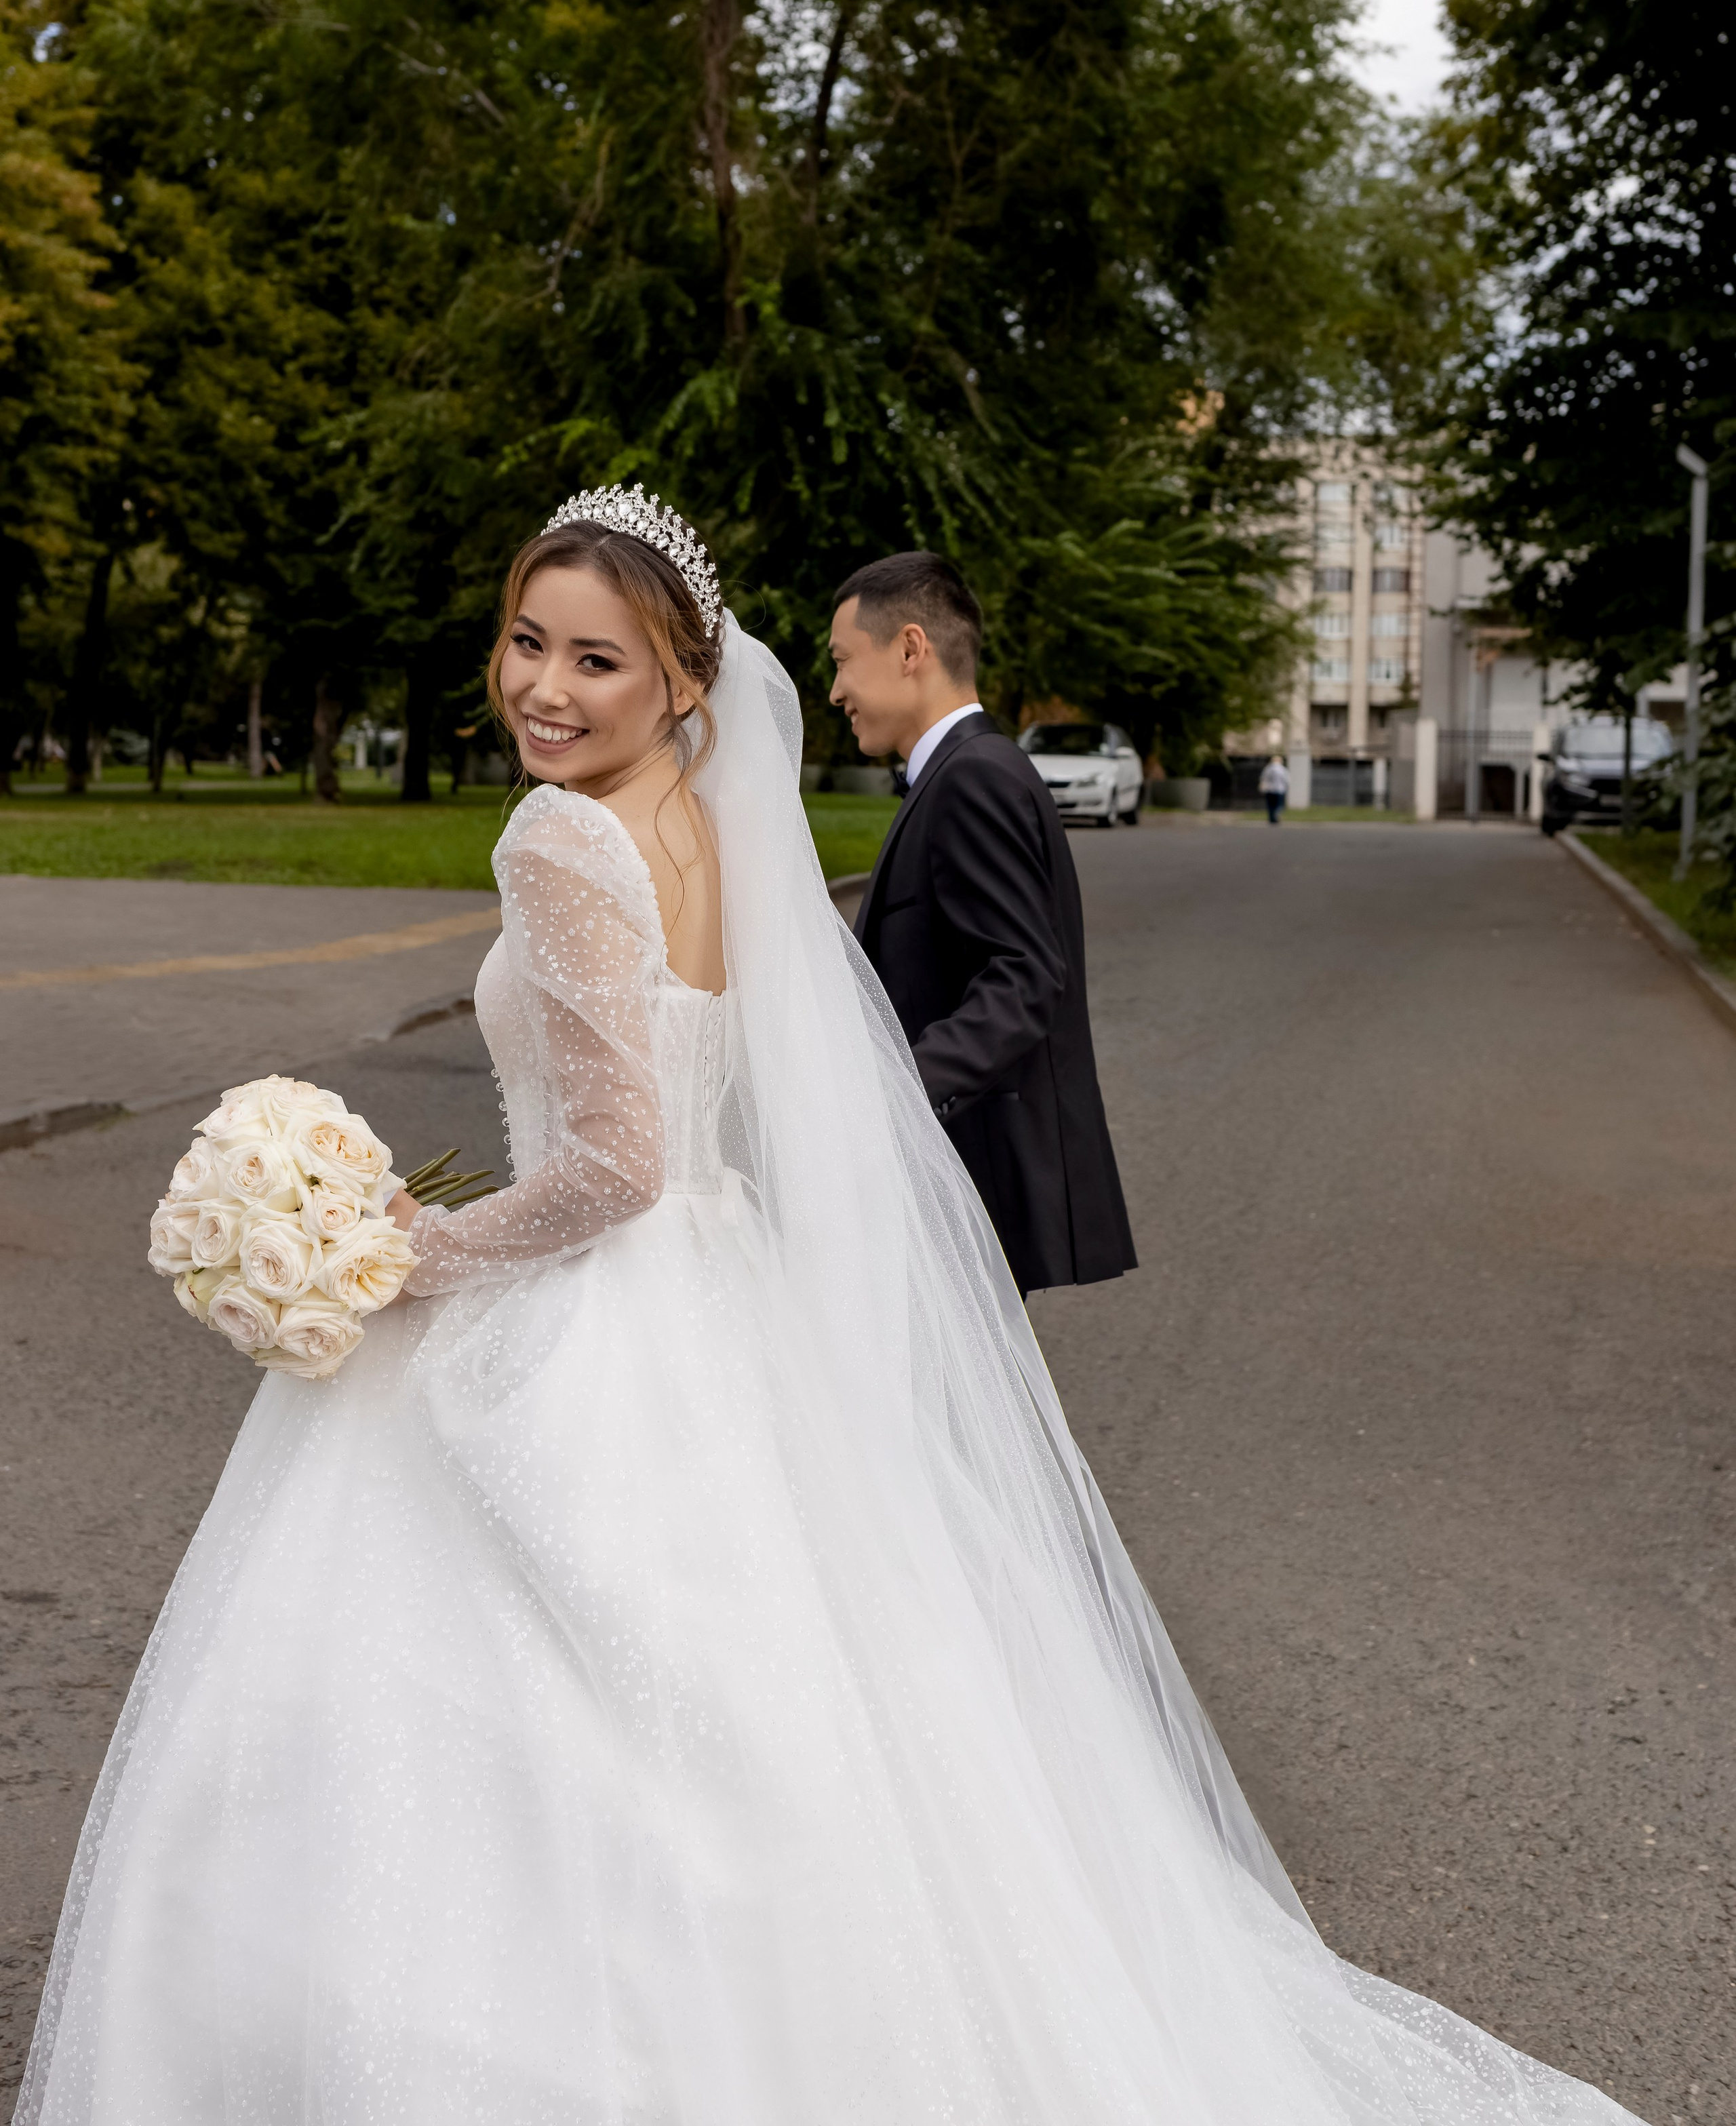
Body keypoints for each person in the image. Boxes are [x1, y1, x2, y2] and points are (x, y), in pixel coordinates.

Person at [20, 486, 1644, 2126]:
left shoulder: (557, 839)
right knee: (798, 1707)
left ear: (680, 685)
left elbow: (614, 1167)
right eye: (528, 640)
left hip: (597, 1300)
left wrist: (389, 1252)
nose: (546, 687)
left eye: (599, 658)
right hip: (719, 1300)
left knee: (485, 1708)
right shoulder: (698, 822)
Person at [828, 552, 1136, 1299]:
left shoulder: (974, 778)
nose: (835, 690)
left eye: (841, 661)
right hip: (963, 1173)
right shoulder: (968, 769)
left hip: (975, 1175)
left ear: (909, 649)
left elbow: (1025, 976)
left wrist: (894, 1091)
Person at [1259, 751, 1290, 825]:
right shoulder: (1283, 769)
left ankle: (1271, 818)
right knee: (1278, 805)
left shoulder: (1268, 769)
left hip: (1269, 790)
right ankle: (1276, 817)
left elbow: (1263, 778)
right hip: (1280, 790)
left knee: (1271, 805)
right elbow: (1287, 780)